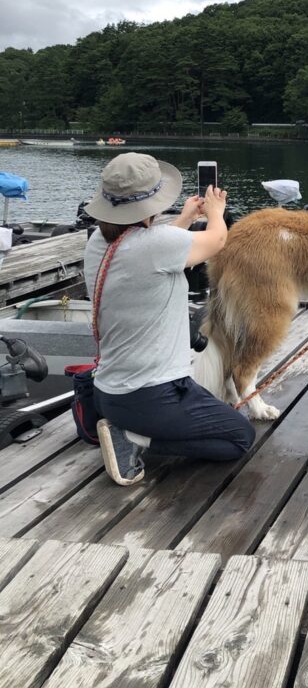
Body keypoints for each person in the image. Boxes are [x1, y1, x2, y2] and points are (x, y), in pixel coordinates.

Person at [82, 152, 255, 486]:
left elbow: (155, 251)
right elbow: (217, 240)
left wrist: (186, 218)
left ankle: (127, 428)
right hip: (149, 397)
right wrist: (216, 212)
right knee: (238, 437)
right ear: (151, 203)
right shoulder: (159, 245)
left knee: (220, 413)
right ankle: (135, 440)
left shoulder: (99, 242)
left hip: (110, 390)